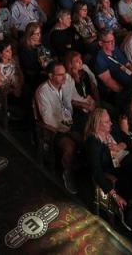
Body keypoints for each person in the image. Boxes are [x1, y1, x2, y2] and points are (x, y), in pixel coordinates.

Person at [34, 62, 84, 193]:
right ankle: (67, 174)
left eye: (64, 74)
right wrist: (64, 129)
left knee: (85, 138)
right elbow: (47, 119)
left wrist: (86, 103)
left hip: (69, 122)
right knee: (70, 147)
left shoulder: (65, 83)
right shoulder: (43, 91)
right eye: (60, 75)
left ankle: (82, 169)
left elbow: (73, 98)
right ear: (51, 76)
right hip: (54, 129)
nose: (64, 77)